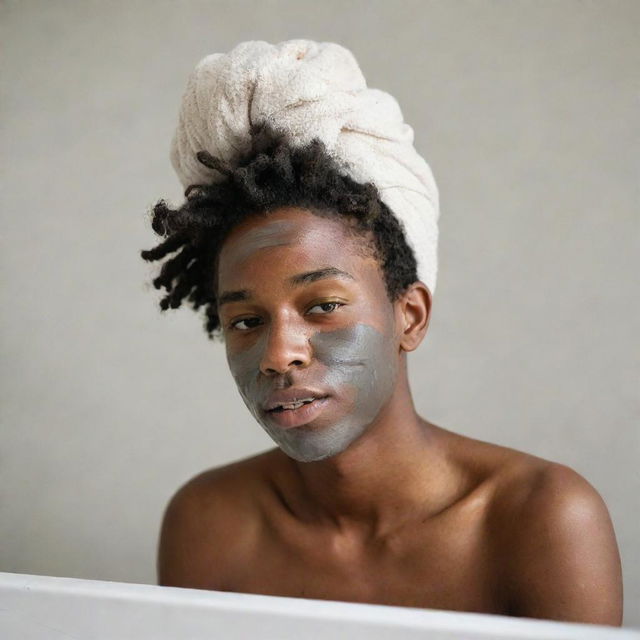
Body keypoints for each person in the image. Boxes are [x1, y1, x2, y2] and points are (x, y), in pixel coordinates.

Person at [141, 39, 623, 624]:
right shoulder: (210, 523)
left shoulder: (540, 519)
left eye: (322, 306)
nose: (279, 354)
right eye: (246, 320)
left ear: (410, 316)